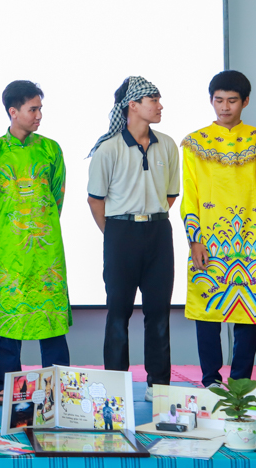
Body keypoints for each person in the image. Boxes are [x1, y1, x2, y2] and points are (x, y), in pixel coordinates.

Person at [182, 70, 256, 388]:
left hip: (251, 239)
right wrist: (194, 240)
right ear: (211, 100)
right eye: (219, 100)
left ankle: (240, 382)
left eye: (232, 100)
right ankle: (210, 380)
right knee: (206, 311)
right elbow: (190, 196)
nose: (224, 107)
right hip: (210, 240)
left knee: (247, 314)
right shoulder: (195, 144)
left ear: (246, 102)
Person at [87, 77, 179, 401]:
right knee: (118, 312)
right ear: (133, 105)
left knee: (159, 313)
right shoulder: (108, 149)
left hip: (158, 232)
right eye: (153, 100)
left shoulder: (167, 145)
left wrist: (147, 219)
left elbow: (170, 195)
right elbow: (95, 200)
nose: (160, 106)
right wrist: (115, 232)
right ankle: (115, 386)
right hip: (120, 233)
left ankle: (159, 385)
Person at [0, 81, 70, 402]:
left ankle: (59, 388)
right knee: (10, 320)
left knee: (52, 320)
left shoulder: (51, 149)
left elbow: (57, 197)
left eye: (40, 109)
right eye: (33, 109)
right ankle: (7, 387)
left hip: (46, 252)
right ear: (13, 111)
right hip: (6, 251)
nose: (38, 115)